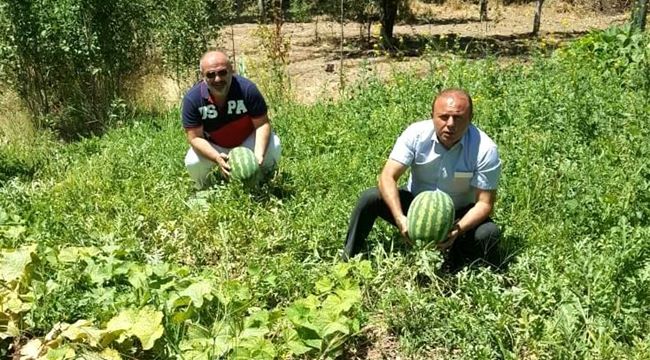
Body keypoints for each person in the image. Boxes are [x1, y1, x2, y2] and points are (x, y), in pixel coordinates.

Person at [342, 88, 502, 271]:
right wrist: (400, 218)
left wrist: (457, 230)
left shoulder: (485, 149)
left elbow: (484, 203)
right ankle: (347, 259)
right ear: (432, 115)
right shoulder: (416, 134)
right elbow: (388, 176)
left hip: (459, 215)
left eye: (458, 118)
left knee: (489, 233)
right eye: (444, 117)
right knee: (369, 198)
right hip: (414, 207)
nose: (450, 124)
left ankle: (469, 265)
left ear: (470, 118)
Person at [182, 50, 281, 188]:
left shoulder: (247, 89)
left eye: (222, 72)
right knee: (193, 162)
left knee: (274, 144)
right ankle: (206, 191)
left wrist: (258, 156)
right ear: (202, 76)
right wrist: (217, 158)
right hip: (215, 146)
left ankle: (265, 183)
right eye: (211, 74)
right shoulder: (193, 99)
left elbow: (262, 124)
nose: (217, 79)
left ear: (231, 70)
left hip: (246, 141)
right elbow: (195, 138)